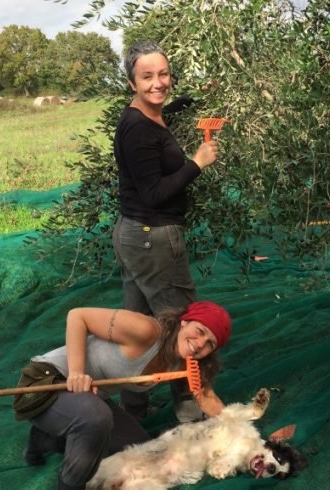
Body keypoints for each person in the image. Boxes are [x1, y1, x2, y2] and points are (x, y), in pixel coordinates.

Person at [112, 40, 220, 422]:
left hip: (134, 236)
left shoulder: (146, 117)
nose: (158, 83)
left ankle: (132, 413)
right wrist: (197, 163)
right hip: (153, 238)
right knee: (182, 325)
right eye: (147, 77)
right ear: (131, 83)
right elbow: (155, 193)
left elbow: (161, 114)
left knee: (137, 332)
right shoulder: (138, 131)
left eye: (164, 74)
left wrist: (190, 99)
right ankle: (192, 413)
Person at [14, 300, 232, 490]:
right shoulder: (146, 330)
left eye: (210, 344)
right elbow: (77, 316)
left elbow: (210, 400)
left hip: (89, 399)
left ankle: (48, 438)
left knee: (138, 449)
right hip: (47, 382)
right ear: (184, 321)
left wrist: (240, 433)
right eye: (200, 331)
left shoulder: (185, 362)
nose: (200, 344)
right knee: (96, 418)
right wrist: (77, 373)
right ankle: (70, 486)